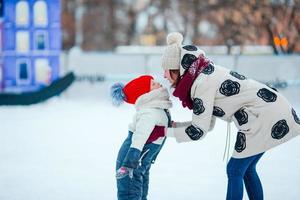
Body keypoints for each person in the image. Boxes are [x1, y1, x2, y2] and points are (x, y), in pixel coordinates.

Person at [161, 32, 300, 200]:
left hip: (264, 114)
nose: (164, 75)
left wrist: (162, 131)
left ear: (178, 69)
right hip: (271, 109)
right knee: (245, 169)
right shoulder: (204, 74)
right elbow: (206, 124)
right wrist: (173, 126)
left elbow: (198, 131)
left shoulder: (202, 83)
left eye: (166, 70)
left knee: (235, 170)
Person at [111, 75, 172, 200]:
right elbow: (139, 137)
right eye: (153, 84)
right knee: (130, 194)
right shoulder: (149, 112)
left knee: (140, 193)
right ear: (146, 94)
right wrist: (129, 164)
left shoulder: (158, 108)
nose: (159, 84)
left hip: (140, 162)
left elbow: (165, 130)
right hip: (130, 160)